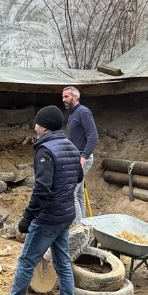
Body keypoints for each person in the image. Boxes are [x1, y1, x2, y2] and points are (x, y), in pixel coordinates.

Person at [0, 105, 82, 295]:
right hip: (65, 215)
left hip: (48, 217)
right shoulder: (69, 146)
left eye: (37, 123)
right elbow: (78, 176)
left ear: (44, 126)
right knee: (62, 263)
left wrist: (27, 218)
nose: (34, 126)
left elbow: (41, 188)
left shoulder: (46, 151)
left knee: (26, 261)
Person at [62, 86, 98, 223]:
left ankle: (78, 227)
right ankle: (83, 223)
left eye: (66, 97)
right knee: (79, 193)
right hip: (76, 158)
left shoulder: (83, 112)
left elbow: (93, 136)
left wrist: (83, 156)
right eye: (63, 97)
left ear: (75, 97)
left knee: (71, 193)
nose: (63, 100)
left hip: (82, 159)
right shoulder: (73, 114)